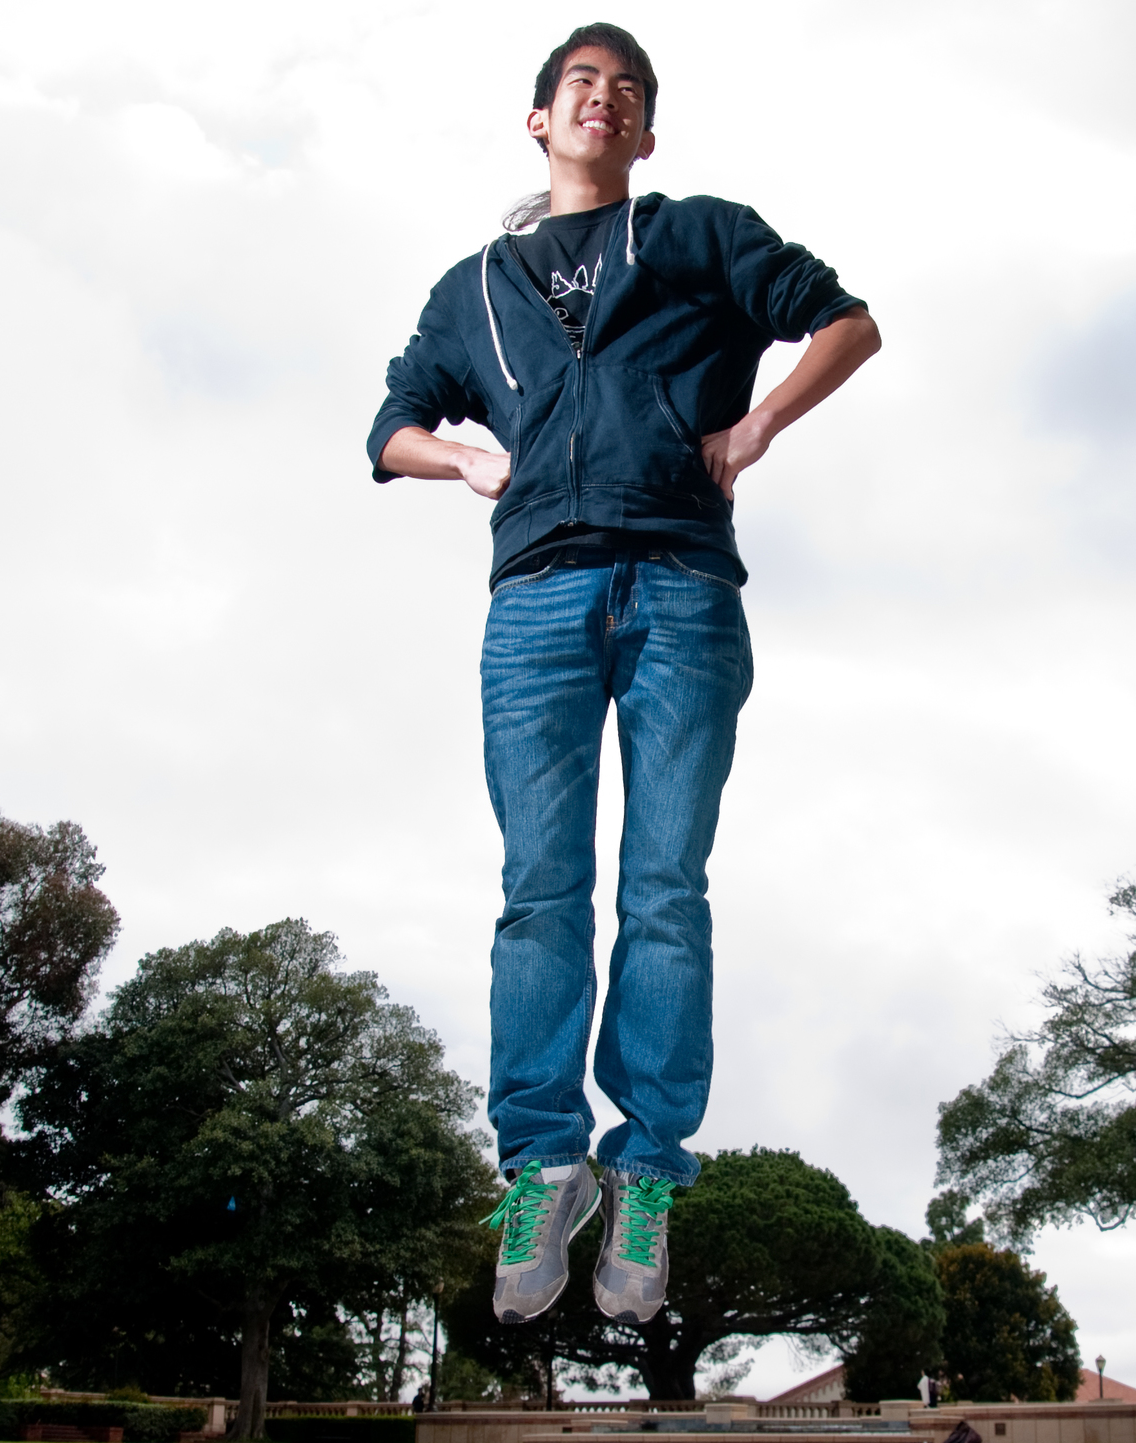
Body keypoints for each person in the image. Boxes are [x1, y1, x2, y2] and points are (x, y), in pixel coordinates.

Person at [367, 23, 878, 1328]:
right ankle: (545, 1163)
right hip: (536, 602)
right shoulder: (472, 291)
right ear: (538, 121)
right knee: (540, 887)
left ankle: (645, 1171)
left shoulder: (698, 237)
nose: (603, 99)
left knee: (662, 888)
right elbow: (391, 426)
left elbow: (847, 322)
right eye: (580, 84)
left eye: (628, 92)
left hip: (683, 595)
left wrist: (757, 423)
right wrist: (465, 461)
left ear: (645, 138)